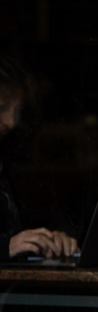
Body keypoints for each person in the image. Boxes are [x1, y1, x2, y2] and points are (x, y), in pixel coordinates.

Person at [0, 55, 77, 261]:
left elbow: (18, 231)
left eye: (17, 111)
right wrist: (6, 246)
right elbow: (9, 242)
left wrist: (50, 238)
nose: (11, 122)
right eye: (1, 108)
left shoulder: (7, 162)